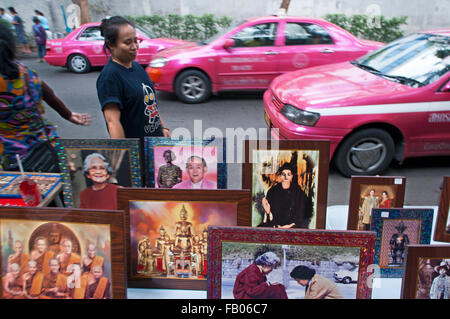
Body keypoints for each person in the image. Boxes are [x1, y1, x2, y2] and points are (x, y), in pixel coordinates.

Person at [0, 23, 92, 171]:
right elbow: (49, 95)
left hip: (10, 156)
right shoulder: (26, 73)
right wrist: (68, 115)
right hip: (45, 146)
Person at [96, 16, 170, 141]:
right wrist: (125, 155)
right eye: (127, 42)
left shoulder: (136, 66)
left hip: (154, 144)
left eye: (136, 41)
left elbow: (150, 104)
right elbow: (113, 122)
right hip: (137, 151)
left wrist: (163, 128)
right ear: (111, 44)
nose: (134, 46)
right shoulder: (110, 77)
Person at [260, 162, 313, 228]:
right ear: (280, 176)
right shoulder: (273, 191)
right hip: (275, 226)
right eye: (283, 174)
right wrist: (268, 211)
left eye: (288, 174)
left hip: (294, 227)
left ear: (292, 176)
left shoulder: (298, 192)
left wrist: (290, 226)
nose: (285, 177)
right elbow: (269, 215)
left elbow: (302, 212)